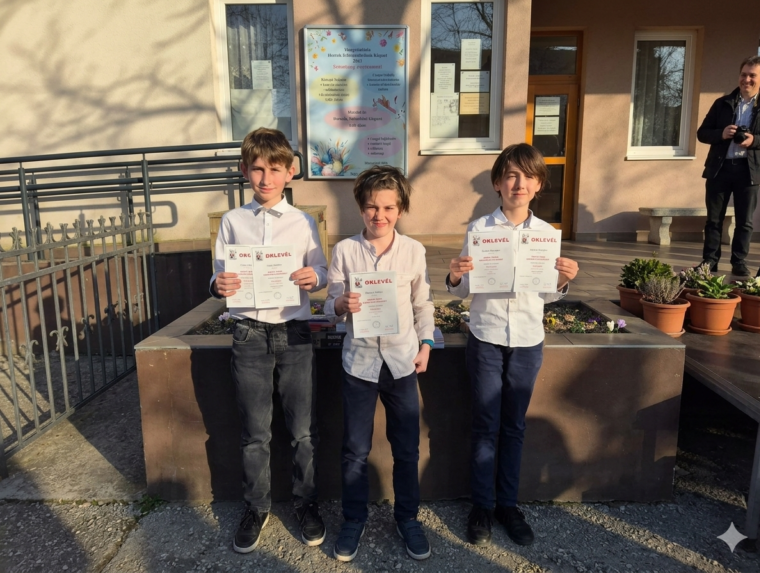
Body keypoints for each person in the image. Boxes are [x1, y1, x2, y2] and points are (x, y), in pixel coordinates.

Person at [446, 143, 579, 547]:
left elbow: (548, 294)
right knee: (485, 424)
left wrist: (563, 280)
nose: (519, 184)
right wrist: (455, 276)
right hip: (486, 336)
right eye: (511, 175)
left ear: (538, 185)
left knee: (514, 426)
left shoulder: (546, 235)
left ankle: (508, 505)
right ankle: (482, 506)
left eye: (528, 176)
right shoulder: (479, 230)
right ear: (497, 183)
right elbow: (464, 289)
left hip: (526, 339)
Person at [210, 128, 328, 553]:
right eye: (258, 169)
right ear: (244, 170)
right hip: (249, 333)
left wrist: (315, 276)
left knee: (302, 432)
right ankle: (255, 507)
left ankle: (306, 503)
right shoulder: (232, 221)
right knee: (255, 432)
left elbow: (322, 272)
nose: (266, 178)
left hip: (294, 333)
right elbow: (218, 274)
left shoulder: (303, 222)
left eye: (275, 169)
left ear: (290, 172)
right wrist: (218, 284)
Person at [324, 165, 435, 562]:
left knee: (406, 448)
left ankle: (408, 519)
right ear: (360, 208)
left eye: (389, 208)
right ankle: (354, 520)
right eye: (372, 207)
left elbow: (422, 303)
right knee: (355, 449)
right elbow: (329, 305)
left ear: (400, 210)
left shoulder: (414, 251)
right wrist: (339, 304)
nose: (380, 215)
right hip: (359, 363)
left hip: (402, 363)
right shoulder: (345, 251)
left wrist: (426, 343)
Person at [696, 55, 760, 277]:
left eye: (752, 75)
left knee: (745, 221)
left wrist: (754, 140)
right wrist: (722, 133)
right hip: (720, 168)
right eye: (743, 74)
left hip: (749, 170)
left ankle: (739, 261)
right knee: (713, 219)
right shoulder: (723, 103)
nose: (746, 79)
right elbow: (702, 133)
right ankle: (709, 261)